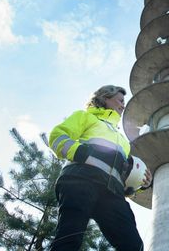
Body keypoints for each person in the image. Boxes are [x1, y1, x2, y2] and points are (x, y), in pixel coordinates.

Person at [48, 85, 152, 251]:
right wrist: (81, 153)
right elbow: (57, 137)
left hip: (112, 192)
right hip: (80, 179)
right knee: (69, 238)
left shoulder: (123, 142)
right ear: (105, 98)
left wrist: (140, 183)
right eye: (120, 100)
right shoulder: (86, 117)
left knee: (133, 245)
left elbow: (125, 180)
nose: (123, 105)